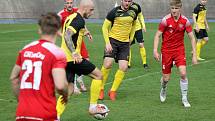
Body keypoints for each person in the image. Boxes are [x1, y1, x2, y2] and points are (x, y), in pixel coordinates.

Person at [10, 12, 68, 121]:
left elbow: (14, 78)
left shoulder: (25, 50)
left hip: (22, 113)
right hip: (45, 113)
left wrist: (23, 102)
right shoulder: (57, 52)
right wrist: (65, 95)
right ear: (58, 30)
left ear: (39, 29)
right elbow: (60, 86)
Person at [57, 0, 107, 118]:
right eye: (91, 10)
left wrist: (85, 32)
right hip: (72, 59)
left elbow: (75, 29)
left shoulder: (72, 17)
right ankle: (93, 107)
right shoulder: (78, 20)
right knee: (98, 75)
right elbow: (67, 35)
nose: (92, 12)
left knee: (68, 91)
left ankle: (55, 116)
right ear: (84, 8)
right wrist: (74, 52)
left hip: (64, 59)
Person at [153, 0, 198, 108]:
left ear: (180, 8)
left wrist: (195, 54)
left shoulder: (185, 21)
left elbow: (192, 38)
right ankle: (163, 88)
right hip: (166, 52)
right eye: (172, 8)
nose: (174, 10)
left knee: (183, 73)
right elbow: (157, 36)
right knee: (166, 78)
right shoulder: (165, 20)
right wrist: (155, 50)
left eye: (176, 8)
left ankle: (184, 98)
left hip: (179, 51)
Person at [99, 0, 139, 101]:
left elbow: (134, 25)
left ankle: (112, 91)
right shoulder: (114, 12)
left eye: (129, 1)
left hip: (125, 43)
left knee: (124, 67)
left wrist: (131, 38)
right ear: (122, 1)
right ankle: (100, 89)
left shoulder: (134, 12)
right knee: (107, 64)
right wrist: (107, 42)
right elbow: (104, 27)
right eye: (125, 0)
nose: (127, 3)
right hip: (113, 41)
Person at [58, 0, 93, 93]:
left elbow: (81, 24)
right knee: (96, 74)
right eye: (67, 3)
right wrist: (64, 36)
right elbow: (56, 28)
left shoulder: (78, 11)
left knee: (86, 60)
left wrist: (86, 32)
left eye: (71, 3)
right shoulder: (61, 14)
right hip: (70, 43)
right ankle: (75, 86)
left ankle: (79, 80)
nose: (69, 5)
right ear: (65, 4)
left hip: (79, 41)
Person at [129, 2, 149, 69]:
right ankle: (128, 63)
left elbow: (140, 16)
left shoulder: (137, 6)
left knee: (141, 44)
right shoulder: (124, 6)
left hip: (137, 28)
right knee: (128, 45)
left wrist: (143, 26)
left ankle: (144, 63)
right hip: (129, 29)